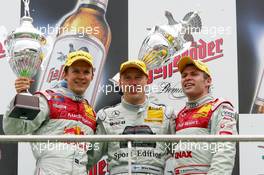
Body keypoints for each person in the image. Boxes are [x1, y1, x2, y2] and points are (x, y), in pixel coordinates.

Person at [3, 50, 97, 175]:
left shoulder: (91, 112)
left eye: (86, 72)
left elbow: (91, 154)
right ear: (65, 74)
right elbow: (13, 130)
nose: (81, 76)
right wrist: (21, 97)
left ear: (92, 77)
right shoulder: (47, 99)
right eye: (75, 71)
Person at [88, 60, 175, 175]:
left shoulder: (165, 114)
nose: (133, 83)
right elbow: (87, 159)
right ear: (120, 82)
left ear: (147, 81)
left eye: (138, 78)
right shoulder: (106, 116)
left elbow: (183, 154)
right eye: (127, 78)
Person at [172, 56, 237, 175]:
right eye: (184, 75)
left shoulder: (219, 107)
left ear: (208, 81)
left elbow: (225, 149)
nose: (187, 78)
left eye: (194, 74)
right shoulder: (179, 114)